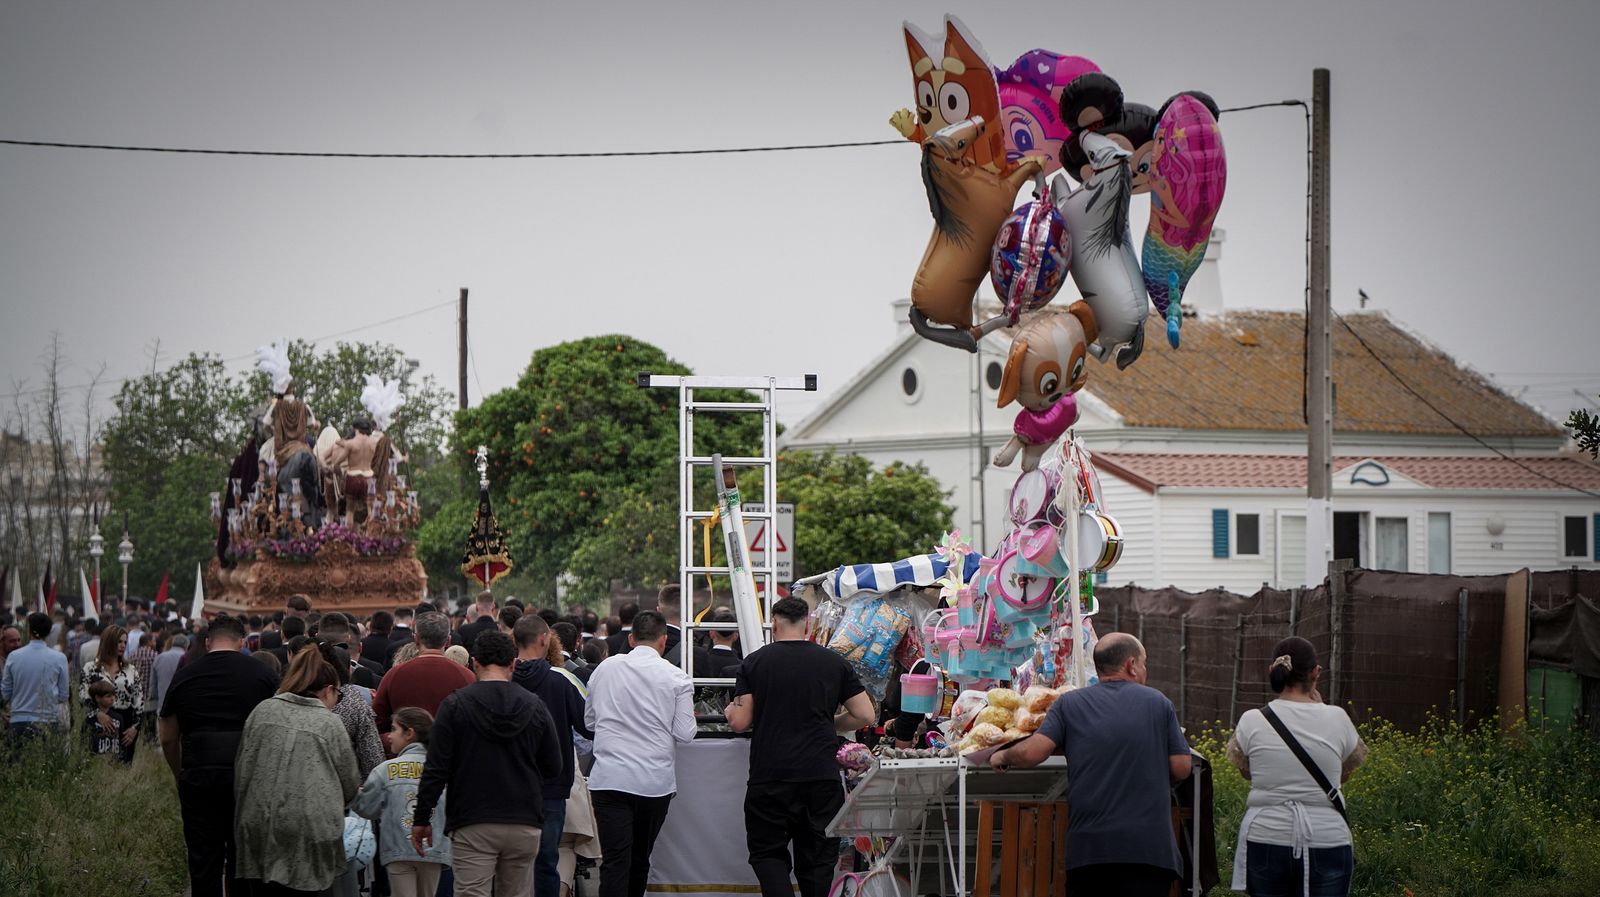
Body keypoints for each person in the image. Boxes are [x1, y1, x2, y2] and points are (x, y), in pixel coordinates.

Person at [989, 633, 1192, 897]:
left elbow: (1034, 753)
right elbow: (1181, 767)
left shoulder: (1069, 704)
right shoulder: (1158, 703)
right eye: (1144, 663)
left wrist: (1002, 756)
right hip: (1149, 851)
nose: (1145, 669)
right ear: (1131, 664)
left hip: (1090, 853)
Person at [725, 598, 875, 897]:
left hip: (771, 774)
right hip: (820, 774)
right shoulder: (834, 662)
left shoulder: (754, 662)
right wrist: (829, 723)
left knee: (768, 852)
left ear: (774, 622)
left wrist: (731, 710)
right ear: (808, 624)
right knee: (818, 858)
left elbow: (740, 721)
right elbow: (866, 715)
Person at [412, 630, 563, 897]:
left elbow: (436, 769)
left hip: (473, 817)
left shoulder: (455, 705)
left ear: (474, 663)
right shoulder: (534, 706)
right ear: (513, 664)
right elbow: (554, 765)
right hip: (523, 818)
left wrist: (423, 817)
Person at [1226, 637, 1367, 897]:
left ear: (1273, 671)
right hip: (1328, 839)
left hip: (1266, 836)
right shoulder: (1338, 718)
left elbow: (1247, 772)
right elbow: (1344, 775)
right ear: (1316, 672)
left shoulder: (1252, 720)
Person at [158, 614, 280, 897]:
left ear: (207, 642)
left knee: (203, 860)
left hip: (199, 774)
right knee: (243, 859)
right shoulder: (263, 676)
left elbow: (167, 736)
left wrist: (179, 773)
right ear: (241, 642)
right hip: (248, 780)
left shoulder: (185, 675)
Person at [234, 645, 361, 895]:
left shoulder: (262, 710)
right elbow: (350, 784)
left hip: (258, 824)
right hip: (310, 835)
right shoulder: (329, 723)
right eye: (338, 695)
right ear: (328, 690)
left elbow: (242, 769)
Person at [585, 611, 695, 897]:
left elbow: (589, 722)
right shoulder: (676, 677)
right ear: (664, 640)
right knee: (639, 859)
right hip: (653, 782)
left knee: (614, 861)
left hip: (609, 779)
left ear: (631, 639)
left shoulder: (605, 669)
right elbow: (685, 734)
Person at [512, 615, 595, 897]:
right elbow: (589, 724)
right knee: (547, 861)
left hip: (508, 784)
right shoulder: (562, 680)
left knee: (511, 865)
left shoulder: (504, 680)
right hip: (552, 786)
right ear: (545, 639)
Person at [351, 707, 451, 897]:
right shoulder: (443, 768)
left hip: (397, 848)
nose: (389, 736)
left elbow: (367, 809)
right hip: (434, 847)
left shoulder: (385, 770)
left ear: (409, 733)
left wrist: (355, 794)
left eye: (394, 729)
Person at [372, 611, 475, 756]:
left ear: (416, 639)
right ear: (448, 641)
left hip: (405, 765)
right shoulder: (467, 677)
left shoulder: (394, 675)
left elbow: (376, 726)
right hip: (451, 762)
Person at [2, 612, 71, 744]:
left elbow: (5, 693)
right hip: (49, 719)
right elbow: (63, 695)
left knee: (19, 762)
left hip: (18, 720)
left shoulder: (13, 657)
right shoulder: (59, 658)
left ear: (29, 630)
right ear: (49, 631)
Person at [80, 624, 141, 763]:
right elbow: (83, 695)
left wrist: (135, 728)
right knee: (94, 763)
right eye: (119, 642)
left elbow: (139, 701)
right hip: (98, 720)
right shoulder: (91, 668)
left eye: (125, 642)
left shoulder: (130, 670)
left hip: (125, 723)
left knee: (123, 764)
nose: (122, 646)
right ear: (109, 641)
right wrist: (97, 713)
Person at [83, 679, 123, 757]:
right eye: (108, 696)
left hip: (114, 761)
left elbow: (122, 742)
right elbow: (84, 743)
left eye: (113, 695)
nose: (112, 698)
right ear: (97, 698)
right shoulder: (90, 719)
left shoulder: (118, 718)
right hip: (96, 761)